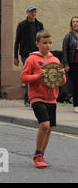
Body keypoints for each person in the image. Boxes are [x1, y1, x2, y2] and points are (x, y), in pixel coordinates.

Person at [21, 30, 66, 168]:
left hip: (52, 98)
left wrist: (62, 75)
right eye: (45, 43)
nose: (48, 46)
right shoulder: (32, 59)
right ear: (37, 43)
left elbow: (61, 82)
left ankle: (41, 154)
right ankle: (38, 154)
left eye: (50, 43)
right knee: (44, 125)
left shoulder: (55, 60)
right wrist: (37, 77)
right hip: (37, 97)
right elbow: (23, 78)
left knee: (49, 128)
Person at [14, 6, 44, 106]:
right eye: (31, 11)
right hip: (25, 54)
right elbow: (17, 41)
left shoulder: (39, 25)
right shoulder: (22, 25)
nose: (33, 13)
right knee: (29, 75)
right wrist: (15, 57)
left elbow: (43, 40)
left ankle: (35, 97)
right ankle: (29, 99)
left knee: (37, 75)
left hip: (37, 54)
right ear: (27, 12)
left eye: (34, 11)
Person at [62, 16, 78, 113]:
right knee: (76, 84)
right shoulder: (68, 36)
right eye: (73, 22)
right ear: (71, 24)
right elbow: (64, 51)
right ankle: (76, 104)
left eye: (77, 21)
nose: (75, 23)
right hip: (73, 63)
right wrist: (65, 64)